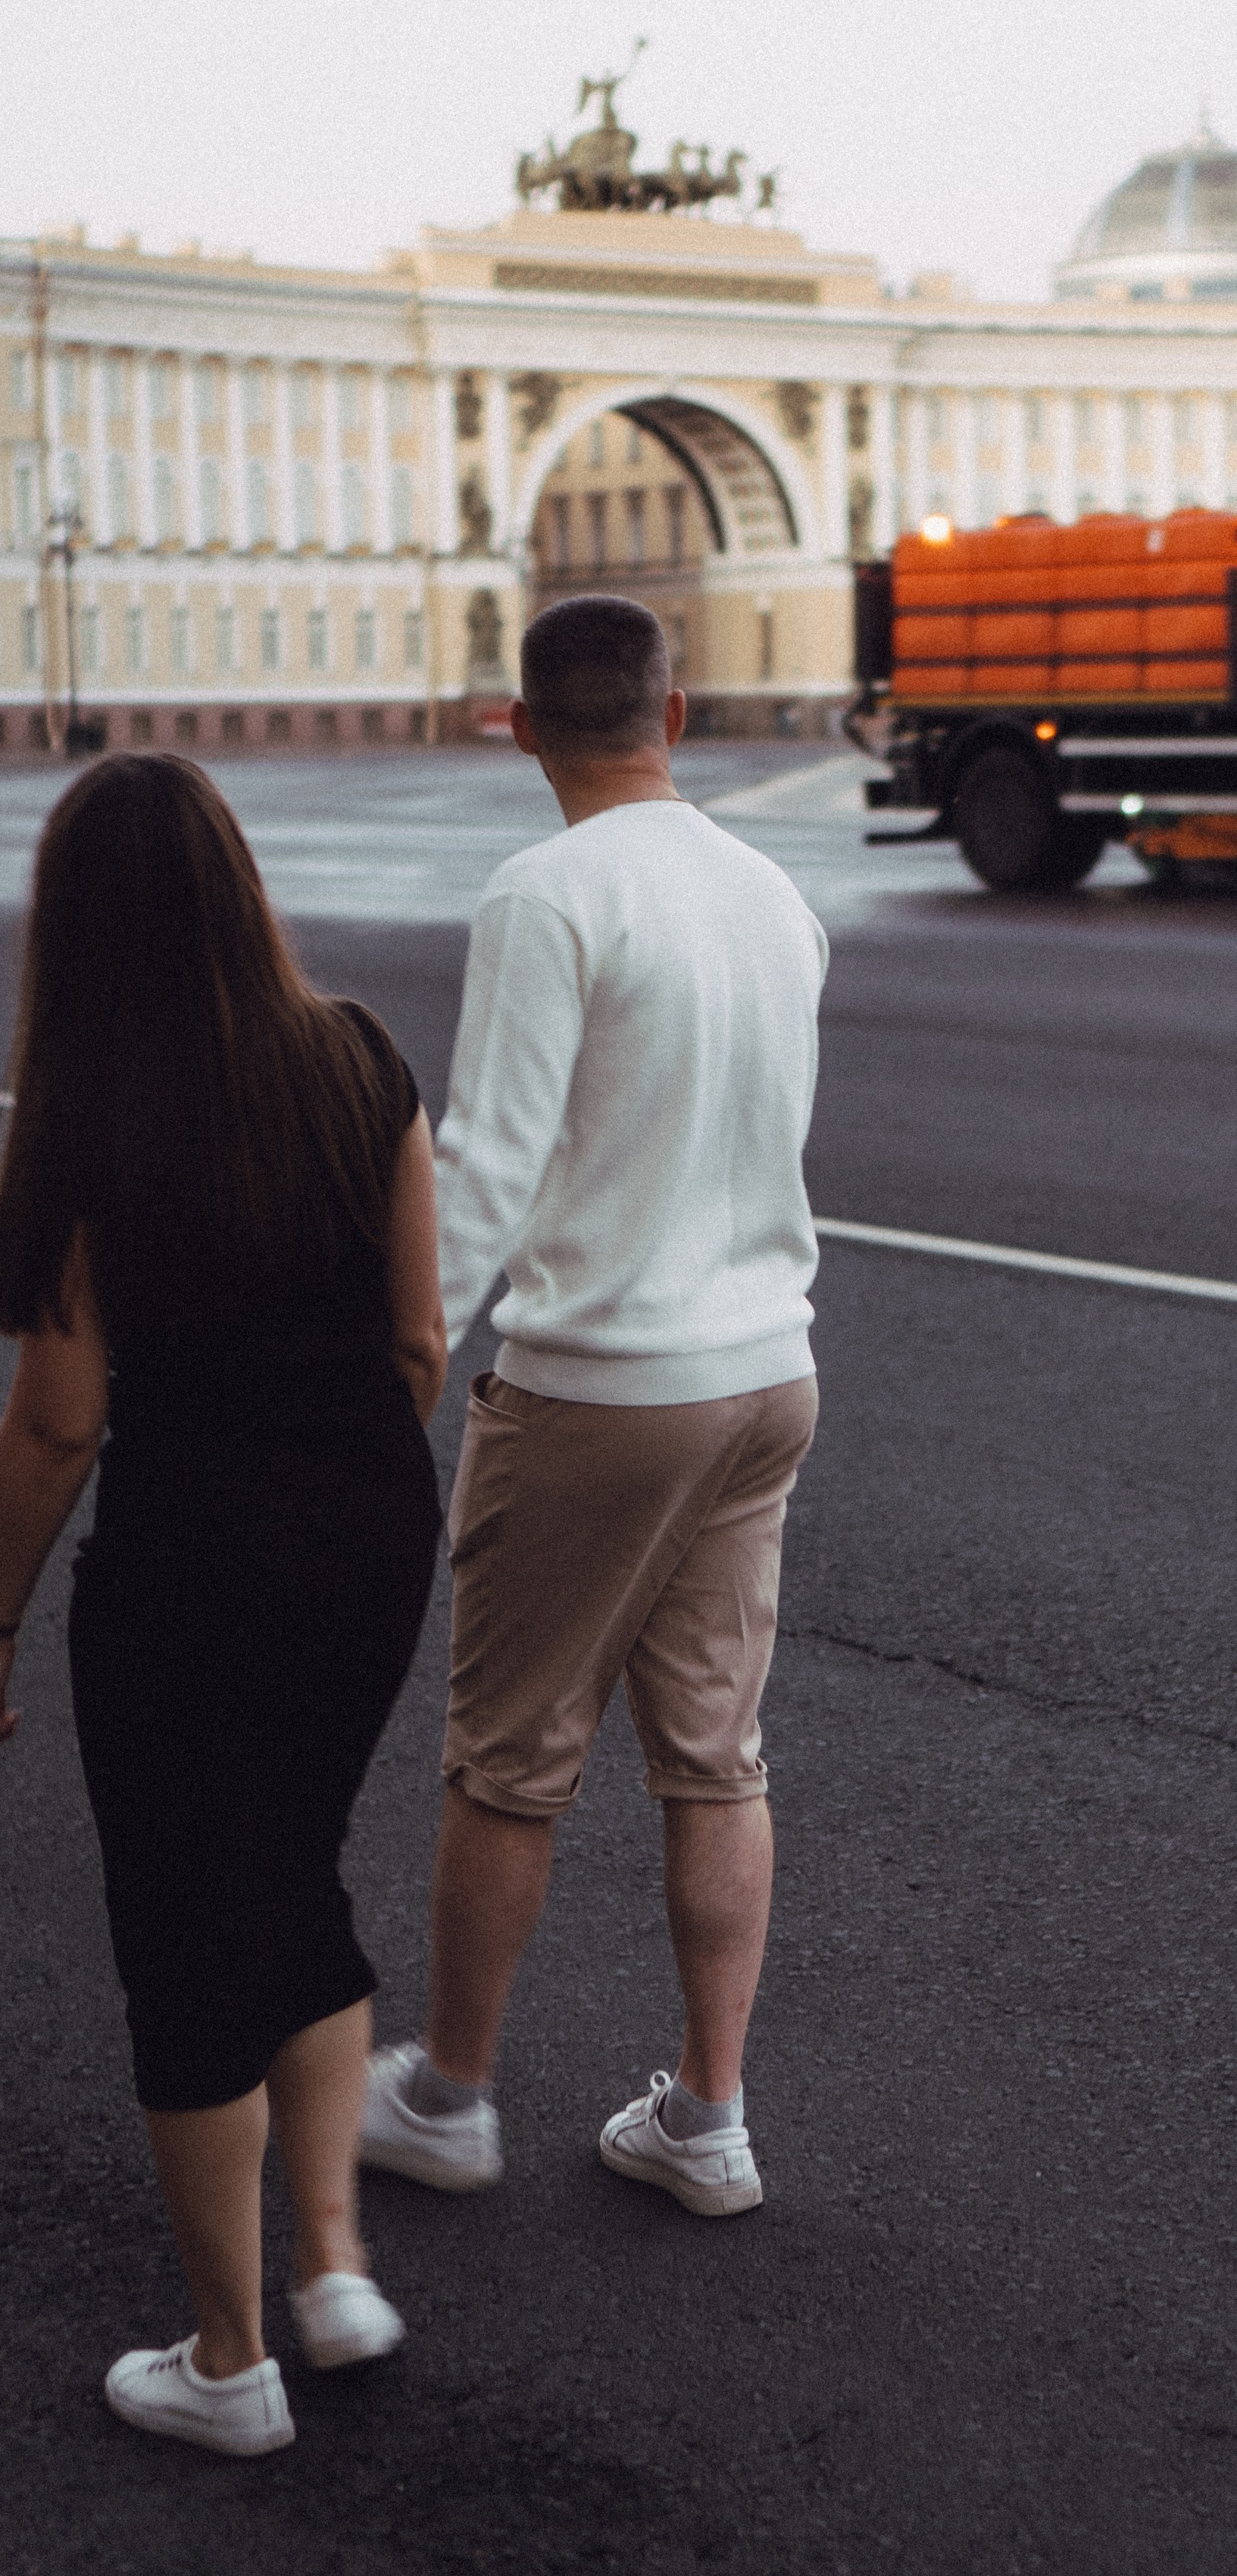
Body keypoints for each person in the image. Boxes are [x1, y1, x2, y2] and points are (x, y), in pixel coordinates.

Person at [0, 756, 445, 2459]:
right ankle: (332, 2270)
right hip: (368, 1538)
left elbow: (56, 1423)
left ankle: (228, 2358)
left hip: (188, 1565)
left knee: (186, 1934)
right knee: (291, 1866)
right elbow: (419, 1340)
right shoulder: (362, 1058)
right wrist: (334, 1488)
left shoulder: (82, 1123)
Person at [360, 594, 824, 2217]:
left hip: (603, 1388)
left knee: (508, 1758)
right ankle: (709, 2119)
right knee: (716, 1760)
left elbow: (488, 1163)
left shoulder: (545, 893)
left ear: (516, 729)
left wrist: (401, 1364)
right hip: (768, 1371)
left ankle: (447, 2094)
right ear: (676, 716)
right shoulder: (775, 895)